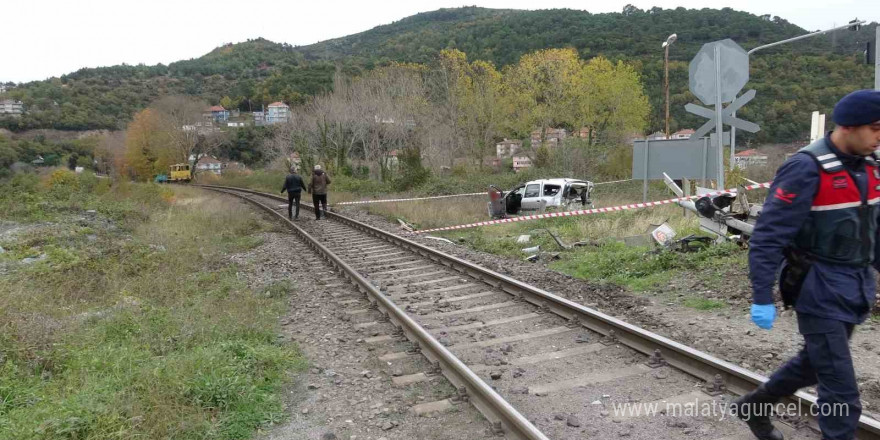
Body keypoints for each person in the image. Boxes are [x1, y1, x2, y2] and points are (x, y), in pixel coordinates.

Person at [734, 90, 880, 440]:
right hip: (817, 288)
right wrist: (761, 296)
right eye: (875, 128)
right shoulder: (805, 168)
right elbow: (768, 237)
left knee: (815, 363)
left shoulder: (869, 168)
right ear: (848, 126)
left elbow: (872, 231)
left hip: (854, 286)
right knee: (841, 391)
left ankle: (755, 406)